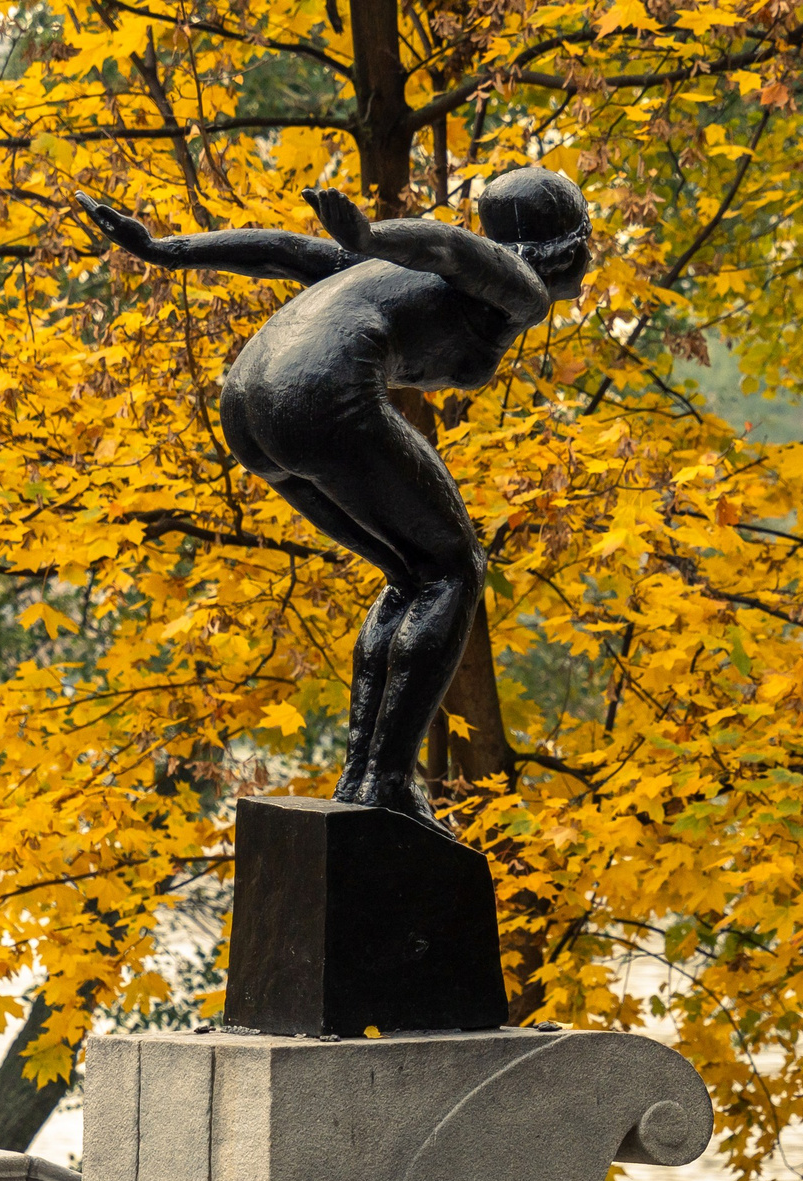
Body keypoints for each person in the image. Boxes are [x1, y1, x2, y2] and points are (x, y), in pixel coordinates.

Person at [74, 169, 592, 832]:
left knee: (412, 575)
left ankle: (363, 776)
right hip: (318, 393)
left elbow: (285, 251)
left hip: (249, 405)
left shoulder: (385, 273)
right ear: (569, 248)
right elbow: (453, 248)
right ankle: (390, 782)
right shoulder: (520, 288)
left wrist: (161, 249)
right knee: (455, 570)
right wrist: (371, 232)